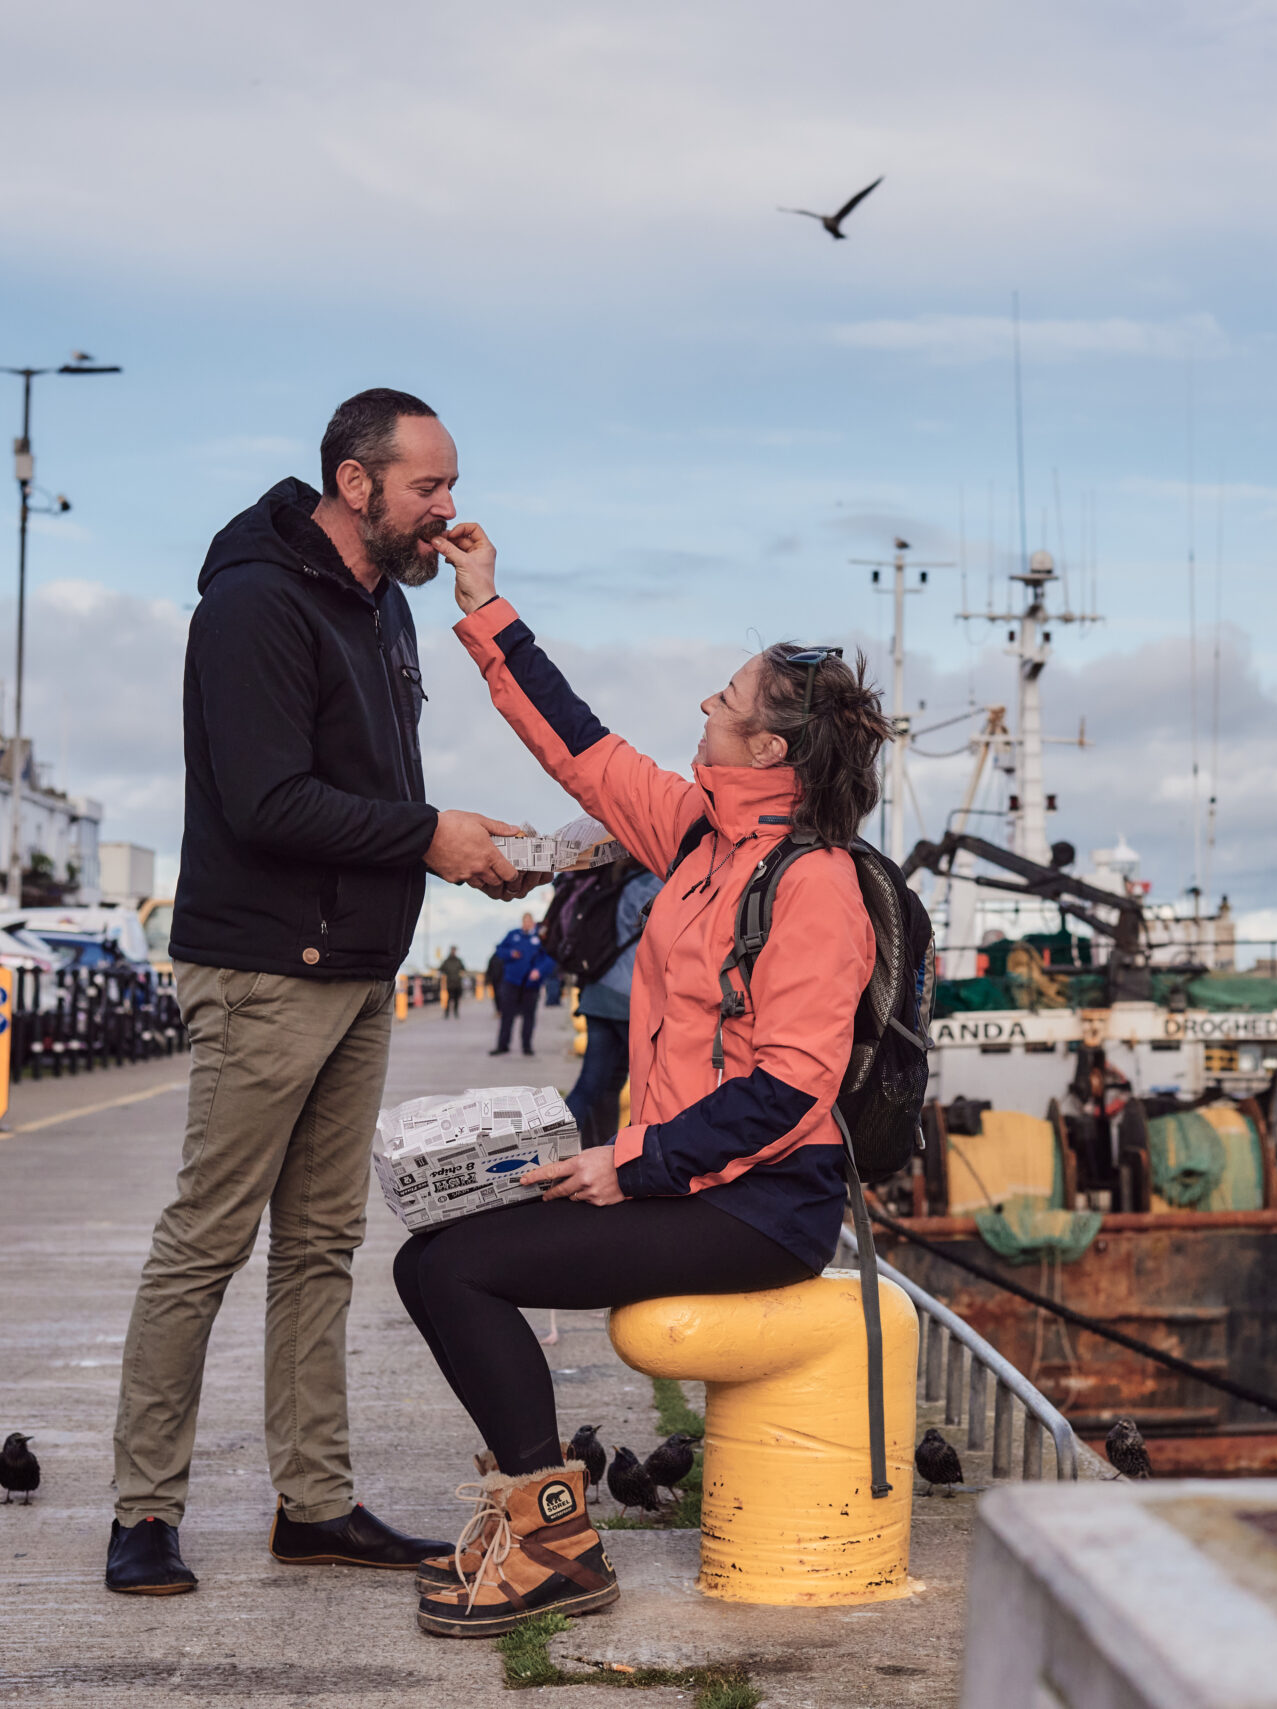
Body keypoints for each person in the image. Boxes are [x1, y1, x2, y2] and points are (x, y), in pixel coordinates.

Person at [387, 524, 888, 1639]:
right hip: (692, 1180)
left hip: (763, 1204)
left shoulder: (815, 887)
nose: (703, 709)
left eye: (723, 700)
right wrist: (485, 605)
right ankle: (541, 1523)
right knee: (436, 1254)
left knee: (456, 1270)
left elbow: (790, 1089)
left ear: (770, 751)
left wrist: (631, 1163)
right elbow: (578, 746)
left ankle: (552, 1543)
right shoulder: (701, 835)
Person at [106, 389, 533, 1598]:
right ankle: (144, 1507)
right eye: (427, 487)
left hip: (354, 968)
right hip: (261, 970)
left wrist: (466, 850)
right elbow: (265, 801)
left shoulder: (383, 608)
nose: (447, 508)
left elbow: (377, 791)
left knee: (322, 1246)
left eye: (448, 487)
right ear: (356, 483)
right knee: (206, 1240)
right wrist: (428, 835)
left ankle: (316, 1502)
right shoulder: (253, 602)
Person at [564, 861, 661, 1144]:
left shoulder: (614, 881)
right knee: (649, 1088)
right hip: (629, 996)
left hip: (599, 992)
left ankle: (564, 1151)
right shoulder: (652, 884)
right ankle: (624, 1158)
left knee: (597, 1084)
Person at [489, 912, 553, 1056]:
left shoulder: (540, 937)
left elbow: (549, 957)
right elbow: (500, 950)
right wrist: (511, 953)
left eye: (529, 922)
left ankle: (527, 1046)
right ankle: (502, 1045)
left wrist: (539, 971)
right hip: (511, 981)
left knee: (529, 1016)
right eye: (525, 922)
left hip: (530, 984)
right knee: (507, 1015)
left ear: (533, 923)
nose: (527, 924)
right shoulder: (513, 935)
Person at [439, 946, 467, 1018]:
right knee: (448, 999)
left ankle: (456, 1012)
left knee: (456, 999)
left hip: (457, 983)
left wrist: (461, 975)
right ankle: (446, 1013)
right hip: (450, 983)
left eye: (454, 950)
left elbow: (463, 969)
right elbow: (441, 969)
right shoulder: (446, 961)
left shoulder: (458, 960)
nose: (453, 952)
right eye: (452, 950)